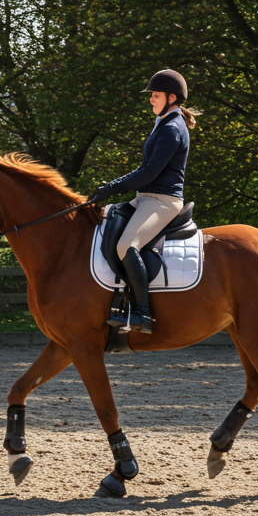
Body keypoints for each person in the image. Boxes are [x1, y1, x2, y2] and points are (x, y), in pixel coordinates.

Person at [90, 69, 197, 333]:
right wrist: (108, 190)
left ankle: (142, 314)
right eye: (151, 95)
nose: (151, 99)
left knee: (127, 246)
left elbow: (149, 172)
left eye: (156, 95)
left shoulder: (173, 128)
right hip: (146, 198)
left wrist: (112, 187)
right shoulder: (163, 121)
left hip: (163, 201)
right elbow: (145, 170)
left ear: (172, 97)